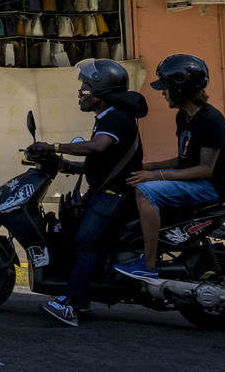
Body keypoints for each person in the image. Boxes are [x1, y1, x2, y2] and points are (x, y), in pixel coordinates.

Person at [28, 59, 146, 327]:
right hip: (104, 192)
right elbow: (100, 160)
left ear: (100, 93)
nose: (80, 94)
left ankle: (72, 304)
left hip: (113, 196)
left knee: (85, 242)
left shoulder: (116, 118)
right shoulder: (107, 118)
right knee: (72, 236)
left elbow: (97, 147)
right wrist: (65, 164)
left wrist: (53, 147)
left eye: (85, 89)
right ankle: (82, 294)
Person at [115, 54, 225, 282]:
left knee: (145, 193)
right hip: (200, 179)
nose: (163, 93)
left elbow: (204, 169)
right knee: (139, 182)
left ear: (181, 88)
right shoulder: (184, 117)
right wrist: (146, 167)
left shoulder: (210, 121)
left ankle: (148, 264)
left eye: (166, 88)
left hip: (215, 186)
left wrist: (153, 177)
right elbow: (183, 159)